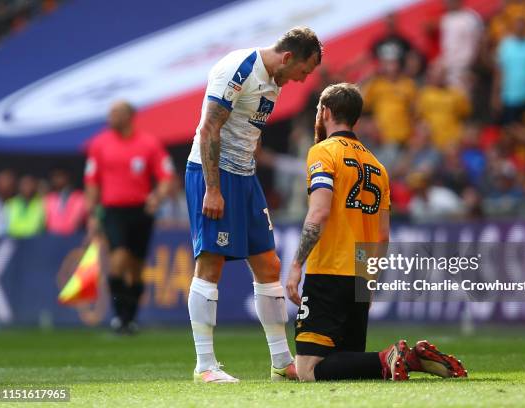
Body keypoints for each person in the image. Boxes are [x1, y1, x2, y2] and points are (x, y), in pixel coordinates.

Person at [285, 83, 467, 382]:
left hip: (328, 271)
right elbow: (382, 236)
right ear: (355, 118)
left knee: (308, 370)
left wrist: (295, 265)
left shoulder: (322, 153)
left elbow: (318, 212)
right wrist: (368, 283)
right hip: (359, 275)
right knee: (348, 366)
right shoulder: (377, 166)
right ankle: (405, 359)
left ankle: (392, 356)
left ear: (326, 112)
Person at [185, 26, 322, 383]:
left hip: (246, 178)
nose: (301, 80)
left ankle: (281, 362)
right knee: (211, 264)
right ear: (289, 56)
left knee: (268, 262)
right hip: (213, 175)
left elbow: (248, 131)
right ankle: (205, 366)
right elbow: (208, 129)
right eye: (303, 72)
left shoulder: (275, 81)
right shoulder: (238, 68)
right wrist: (213, 190)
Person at [84, 100, 173, 334]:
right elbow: (92, 181)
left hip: (141, 211)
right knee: (119, 258)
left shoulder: (149, 144)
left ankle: (129, 319)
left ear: (129, 116)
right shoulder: (99, 144)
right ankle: (119, 315)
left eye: (116, 113)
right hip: (113, 211)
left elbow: (165, 175)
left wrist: (157, 196)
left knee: (136, 267)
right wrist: (93, 213)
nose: (110, 117)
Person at [44, 168, 87, 235]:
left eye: (59, 176)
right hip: (53, 238)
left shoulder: (79, 197)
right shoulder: (49, 198)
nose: (56, 179)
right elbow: (48, 222)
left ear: (67, 177)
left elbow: (75, 221)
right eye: (54, 176)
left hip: (73, 237)